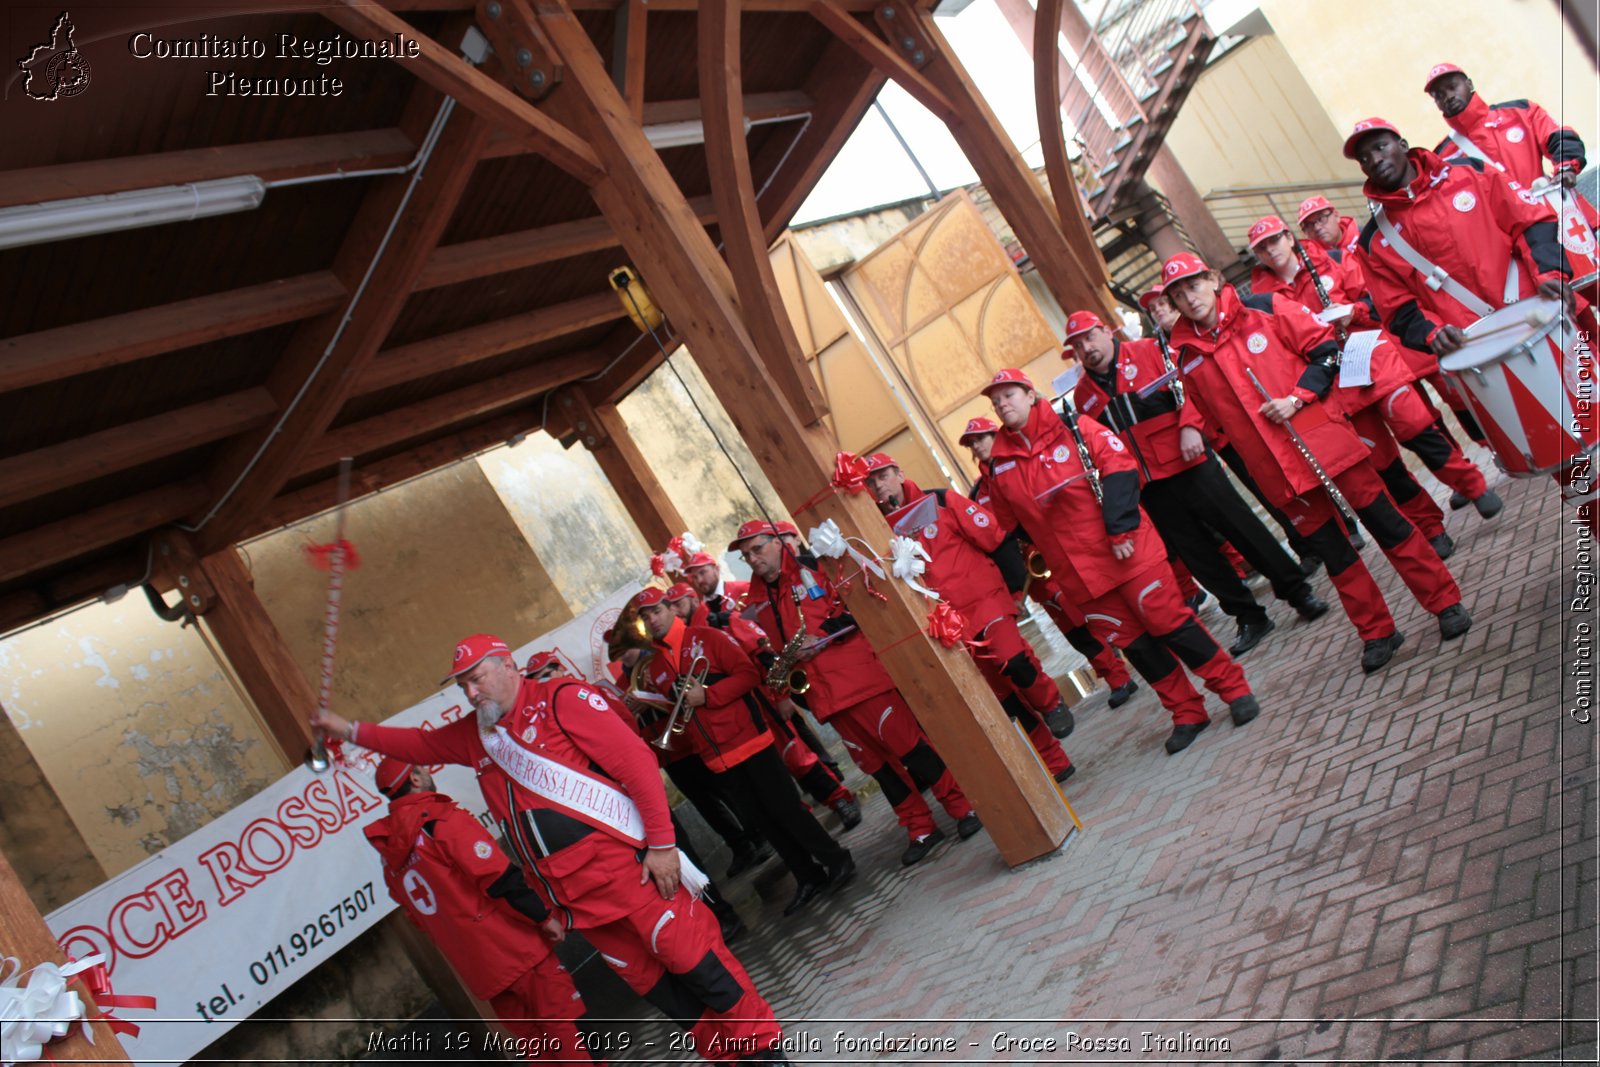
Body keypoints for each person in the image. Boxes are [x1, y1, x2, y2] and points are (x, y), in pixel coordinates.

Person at [311, 636, 790, 1065]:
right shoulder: (476, 733)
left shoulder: (562, 700)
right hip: (578, 903)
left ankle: (766, 1054)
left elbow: (638, 766)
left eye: (476, 679)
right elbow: (414, 743)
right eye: (463, 688)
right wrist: (348, 729)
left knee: (702, 969)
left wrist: (663, 845)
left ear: (506, 666)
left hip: (632, 877)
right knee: (668, 996)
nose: (471, 694)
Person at [1161, 250, 1474, 672]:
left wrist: (1297, 399)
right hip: (1279, 474)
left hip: (1327, 444)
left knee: (1388, 524)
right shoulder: (1187, 359)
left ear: (1214, 280)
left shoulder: (1267, 309)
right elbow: (1215, 425)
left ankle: (1445, 602)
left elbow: (1326, 352)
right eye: (1178, 295)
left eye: (1193, 286)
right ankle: (1377, 631)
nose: (1189, 298)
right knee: (1336, 556)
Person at [980, 368, 1262, 755]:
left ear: (1030, 394)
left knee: (1174, 626)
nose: (1002, 403)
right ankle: (1186, 712)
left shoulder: (1075, 427)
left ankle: (1233, 689)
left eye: (1008, 394)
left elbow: (1120, 468)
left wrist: (1119, 530)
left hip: (1127, 553)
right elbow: (1009, 525)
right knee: (1138, 647)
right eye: (996, 401)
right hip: (1081, 577)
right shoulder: (999, 464)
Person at [1344, 117, 1590, 529]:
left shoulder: (1469, 174)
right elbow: (1397, 310)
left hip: (1542, 321)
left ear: (1402, 144)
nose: (1375, 159)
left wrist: (1551, 273)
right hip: (1485, 356)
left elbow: (1532, 219)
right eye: (1365, 157)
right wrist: (1433, 333)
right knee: (1563, 457)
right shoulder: (1374, 241)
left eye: (1381, 146)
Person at [1065, 308, 1330, 656]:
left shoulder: (1150, 351)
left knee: (1243, 528)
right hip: (1149, 486)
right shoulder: (1083, 397)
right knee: (1197, 556)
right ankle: (1248, 616)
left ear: (1104, 331)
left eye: (1089, 338)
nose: (1086, 349)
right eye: (1077, 346)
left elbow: (1194, 390)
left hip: (1189, 462)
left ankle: (1297, 592)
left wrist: (1192, 427)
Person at [1244, 214, 1502, 550]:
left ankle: (1473, 486)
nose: (1270, 250)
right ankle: (1431, 529)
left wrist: (1353, 311)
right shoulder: (1261, 302)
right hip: (1333, 385)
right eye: (1262, 248)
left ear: (1289, 239)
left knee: (1419, 429)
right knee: (1385, 464)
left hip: (1373, 361)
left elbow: (1377, 300)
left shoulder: (1335, 260)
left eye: (1274, 240)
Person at [731, 520, 982, 865]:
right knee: (876, 767)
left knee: (912, 750)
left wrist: (822, 639)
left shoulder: (817, 565)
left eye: (757, 548)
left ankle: (963, 806)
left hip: (862, 680)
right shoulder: (757, 599)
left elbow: (863, 608)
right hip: (827, 697)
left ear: (778, 542)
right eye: (746, 555)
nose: (752, 559)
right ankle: (919, 826)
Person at [635, 587, 855, 917]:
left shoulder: (708, 637)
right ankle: (807, 876)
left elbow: (749, 675)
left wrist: (707, 697)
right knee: (764, 823)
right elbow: (680, 707)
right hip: (715, 757)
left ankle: (837, 859)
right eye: (645, 617)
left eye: (656, 611)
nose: (652, 620)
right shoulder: (655, 668)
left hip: (749, 742)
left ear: (671, 610)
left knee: (787, 810)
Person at [861, 452, 1077, 783]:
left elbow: (995, 537)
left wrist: (1017, 590)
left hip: (983, 599)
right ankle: (1054, 760)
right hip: (946, 623)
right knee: (1001, 698)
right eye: (871, 481)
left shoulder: (941, 500)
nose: (878, 485)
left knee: (1013, 661)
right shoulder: (876, 532)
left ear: (899, 472)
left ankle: (1051, 703)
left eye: (883, 476)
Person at [365, 760, 599, 1063]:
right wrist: (542, 916)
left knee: (537, 1049)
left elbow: (419, 919)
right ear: (415, 779)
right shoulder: (442, 820)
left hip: (481, 970)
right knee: (570, 1032)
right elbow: (498, 878)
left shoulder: (389, 859)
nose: (428, 773)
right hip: (517, 951)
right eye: (423, 769)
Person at [960, 416, 1140, 712]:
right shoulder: (977, 494)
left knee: (1098, 615)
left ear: (997, 436)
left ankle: (1131, 663)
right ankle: (1115, 676)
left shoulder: (1021, 466)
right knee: (1073, 629)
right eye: (971, 443)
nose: (976, 446)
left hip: (1061, 555)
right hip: (1034, 574)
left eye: (980, 439)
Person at [664, 583, 862, 830]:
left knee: (796, 755)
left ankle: (839, 799)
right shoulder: (683, 641)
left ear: (694, 600)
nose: (676, 612)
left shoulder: (723, 621)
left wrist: (781, 697)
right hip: (734, 716)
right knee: (772, 779)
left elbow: (765, 655)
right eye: (670, 608)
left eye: (679, 604)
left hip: (762, 701)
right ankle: (806, 824)